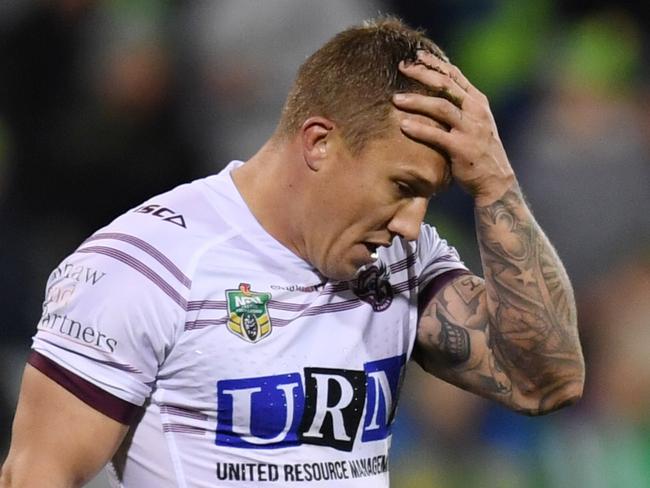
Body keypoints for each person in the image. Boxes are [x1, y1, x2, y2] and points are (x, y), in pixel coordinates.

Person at [0, 17, 584, 488]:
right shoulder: (144, 266)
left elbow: (546, 381)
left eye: (428, 198)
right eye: (403, 188)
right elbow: (36, 475)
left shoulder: (399, 262)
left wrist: (496, 184)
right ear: (320, 142)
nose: (413, 225)